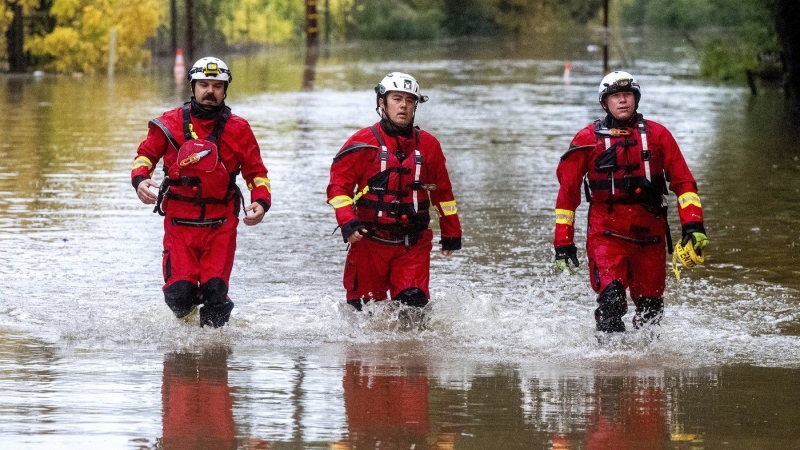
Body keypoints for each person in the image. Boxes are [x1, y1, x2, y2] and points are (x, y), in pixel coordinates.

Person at [553, 71, 707, 333]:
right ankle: (609, 369)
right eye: (615, 96)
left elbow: (684, 183)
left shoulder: (659, 136)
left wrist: (693, 225)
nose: (622, 101)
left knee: (651, 313)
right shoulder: (587, 140)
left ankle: (646, 370)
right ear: (605, 103)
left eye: (627, 95)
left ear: (636, 99)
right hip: (606, 235)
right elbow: (568, 193)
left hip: (650, 237)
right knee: (611, 303)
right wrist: (563, 242)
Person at [132, 56, 271, 328]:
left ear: (225, 90)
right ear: (193, 86)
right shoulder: (168, 124)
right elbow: (145, 156)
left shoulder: (239, 129)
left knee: (216, 294)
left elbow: (256, 173)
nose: (210, 91)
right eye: (204, 84)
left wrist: (261, 203)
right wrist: (139, 180)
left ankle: (214, 358)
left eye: (217, 86)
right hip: (179, 222)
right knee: (178, 294)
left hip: (221, 223)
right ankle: (187, 333)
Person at [327, 72, 462, 313]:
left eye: (409, 101)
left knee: (414, 310)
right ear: (382, 102)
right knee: (363, 314)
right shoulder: (362, 142)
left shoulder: (429, 145)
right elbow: (338, 188)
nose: (403, 105)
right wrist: (347, 221)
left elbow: (442, 192)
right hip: (369, 243)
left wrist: (451, 230)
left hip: (412, 244)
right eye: (397, 99)